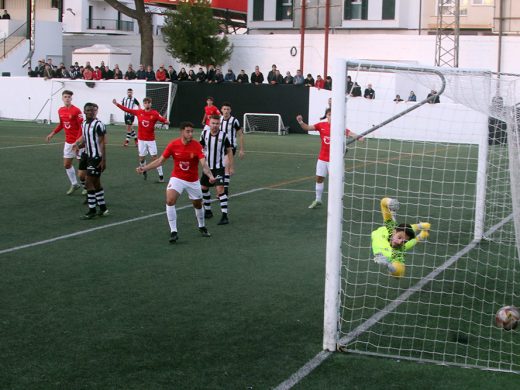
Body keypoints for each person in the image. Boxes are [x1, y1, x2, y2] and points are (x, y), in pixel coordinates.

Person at [136, 122, 215, 243]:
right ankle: (174, 231)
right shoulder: (173, 145)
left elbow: (203, 164)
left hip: (193, 181)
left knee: (198, 204)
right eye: (188, 131)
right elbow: (160, 161)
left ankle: (202, 226)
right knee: (170, 200)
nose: (191, 134)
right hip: (177, 178)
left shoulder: (197, 146)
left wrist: (210, 175)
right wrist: (144, 168)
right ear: (182, 132)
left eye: (192, 131)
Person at [296, 109, 363, 209]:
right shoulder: (321, 125)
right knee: (319, 178)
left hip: (334, 160)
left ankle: (337, 203)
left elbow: (350, 133)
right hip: (322, 158)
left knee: (335, 181)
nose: (331, 116)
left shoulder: (339, 127)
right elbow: (307, 128)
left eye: (332, 114)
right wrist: (300, 121)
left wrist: (358, 137)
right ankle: (318, 199)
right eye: (329, 114)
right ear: (326, 115)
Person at [112, 96, 169, 182]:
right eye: (145, 103)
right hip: (141, 140)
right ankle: (144, 170)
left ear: (151, 104)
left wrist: (166, 121)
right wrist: (117, 104)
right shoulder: (139, 112)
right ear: (143, 104)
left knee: (155, 158)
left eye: (148, 103)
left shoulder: (155, 113)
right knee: (141, 158)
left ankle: (161, 177)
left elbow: (162, 120)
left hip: (151, 140)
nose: (147, 104)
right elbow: (127, 110)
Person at [371, 198, 431, 277]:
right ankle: (424, 228)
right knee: (410, 230)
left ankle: (423, 234)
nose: (399, 242)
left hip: (394, 241)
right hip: (388, 232)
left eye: (403, 241)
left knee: (412, 240)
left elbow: (399, 273)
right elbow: (383, 203)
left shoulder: (399, 250)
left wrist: (389, 266)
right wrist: (390, 202)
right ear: (394, 232)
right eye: (399, 238)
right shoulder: (391, 228)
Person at [74, 103, 109, 219]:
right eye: (88, 110)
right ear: (84, 112)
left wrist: (103, 160)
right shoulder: (84, 124)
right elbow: (86, 139)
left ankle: (92, 210)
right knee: (96, 183)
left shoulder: (99, 125)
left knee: (89, 183)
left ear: (96, 112)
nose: (91, 112)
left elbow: (103, 143)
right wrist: (79, 145)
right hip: (88, 155)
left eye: (93, 110)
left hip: (96, 157)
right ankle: (103, 209)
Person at [45, 90, 83, 195]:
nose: (67, 98)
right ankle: (75, 184)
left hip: (79, 142)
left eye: (69, 97)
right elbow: (61, 124)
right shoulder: (60, 110)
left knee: (82, 169)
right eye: (65, 96)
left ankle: (86, 186)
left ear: (71, 98)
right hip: (68, 142)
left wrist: (78, 141)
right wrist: (52, 133)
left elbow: (82, 127)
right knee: (66, 164)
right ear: (62, 98)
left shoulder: (76, 110)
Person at [200, 115, 234, 225]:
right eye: (213, 123)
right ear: (209, 123)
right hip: (207, 167)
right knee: (204, 187)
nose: (215, 125)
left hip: (219, 167)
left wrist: (231, 166)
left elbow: (229, 151)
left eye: (217, 123)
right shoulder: (204, 134)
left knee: (220, 190)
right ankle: (208, 211)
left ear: (220, 124)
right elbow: (200, 149)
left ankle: (225, 216)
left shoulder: (224, 135)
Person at [220, 102, 244, 194]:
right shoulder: (219, 119)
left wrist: (241, 149)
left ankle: (224, 191)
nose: (226, 111)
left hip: (230, 147)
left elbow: (241, 135)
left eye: (228, 109)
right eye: (224, 109)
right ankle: (221, 188)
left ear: (230, 110)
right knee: (220, 168)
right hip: (219, 147)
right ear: (221, 110)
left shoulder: (234, 121)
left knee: (226, 167)